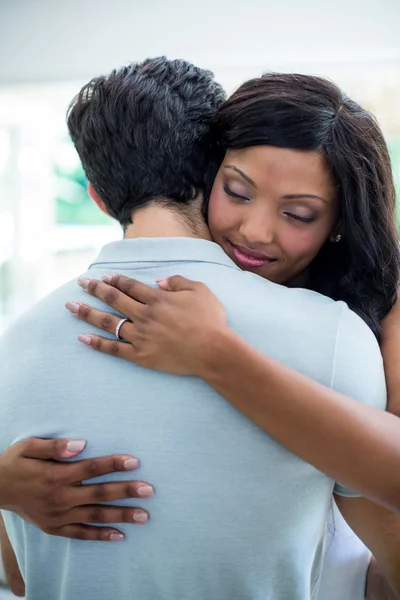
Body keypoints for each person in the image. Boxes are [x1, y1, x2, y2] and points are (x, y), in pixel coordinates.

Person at [0, 59, 397, 599]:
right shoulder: (336, 338)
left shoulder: (18, 343)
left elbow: (23, 577)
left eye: (299, 213)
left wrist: (216, 352)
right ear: (210, 169)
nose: (255, 231)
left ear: (96, 195)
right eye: (237, 191)